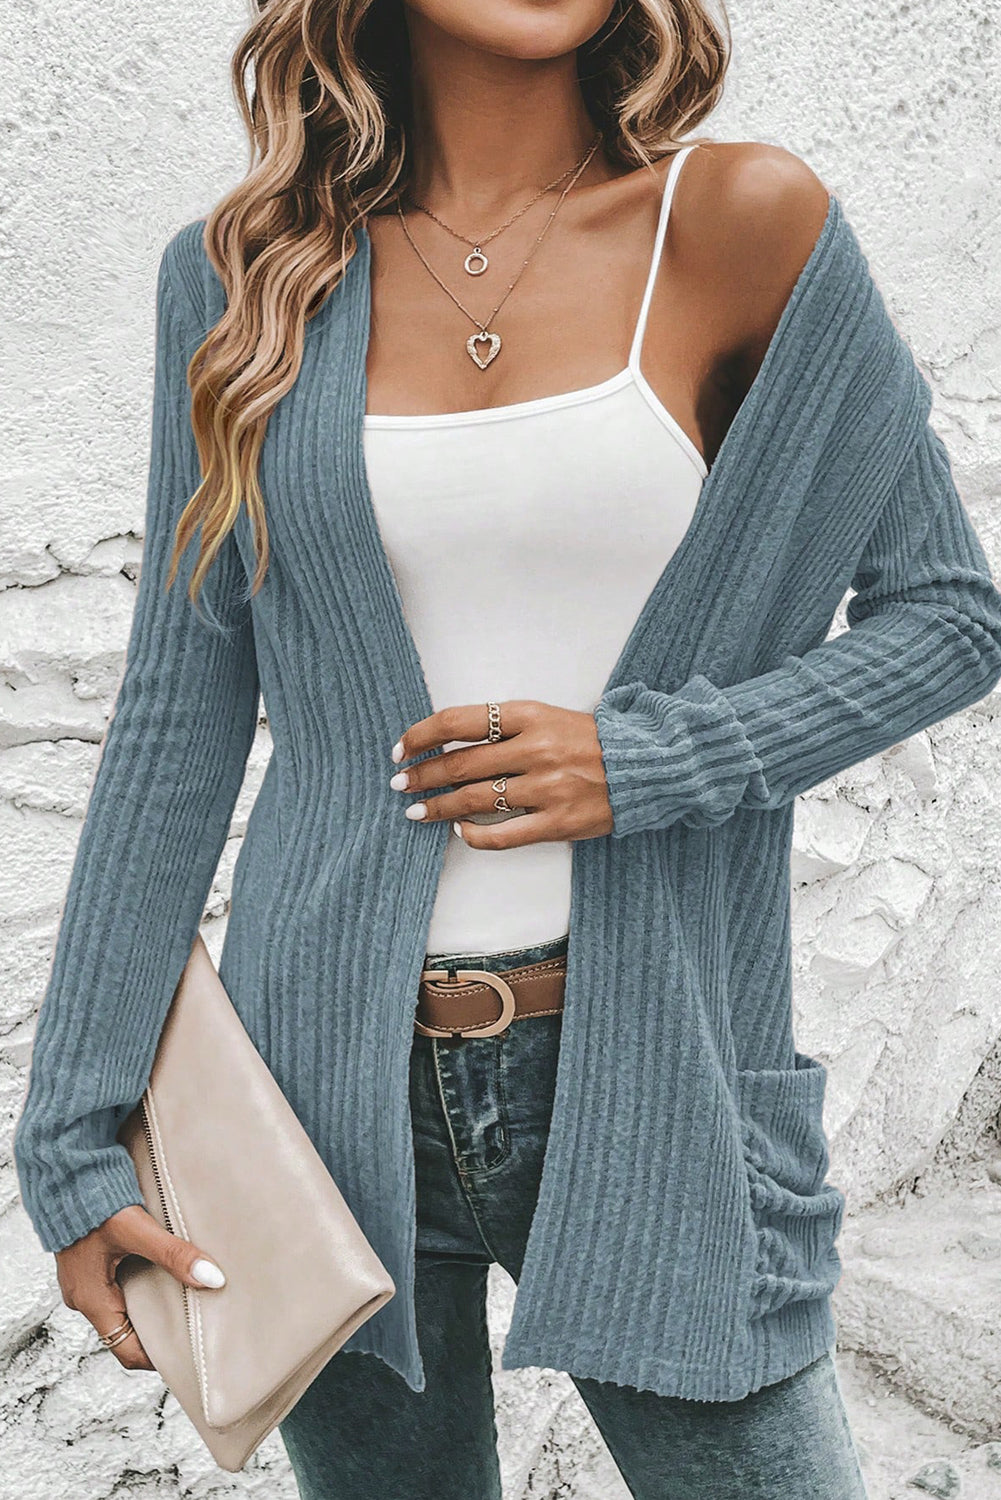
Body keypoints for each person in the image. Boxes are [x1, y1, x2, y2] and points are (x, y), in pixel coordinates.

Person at [13, 2, 1001, 1497]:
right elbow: (175, 714)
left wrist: (650, 760)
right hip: (312, 1093)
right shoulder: (241, 277)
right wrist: (74, 1132)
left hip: (657, 1061)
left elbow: (947, 617)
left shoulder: (742, 222)